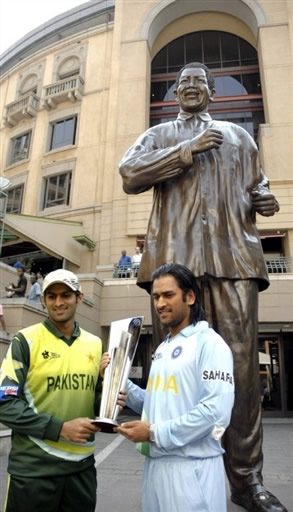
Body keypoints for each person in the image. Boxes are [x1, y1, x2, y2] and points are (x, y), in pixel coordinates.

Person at [119, 62, 285, 512]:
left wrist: (263, 198)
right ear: (175, 92)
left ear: (213, 92)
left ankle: (248, 482)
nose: (192, 87)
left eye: (200, 82)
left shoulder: (240, 137)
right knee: (173, 369)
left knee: (243, 375)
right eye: (184, 82)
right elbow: (129, 174)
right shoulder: (159, 135)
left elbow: (258, 185)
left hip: (234, 259)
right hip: (175, 264)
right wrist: (186, 150)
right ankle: (168, 461)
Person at [106, 263, 234, 512]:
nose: (160, 303)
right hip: (156, 466)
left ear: (190, 297)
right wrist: (117, 379)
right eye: (156, 297)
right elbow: (156, 403)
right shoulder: (164, 347)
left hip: (192, 469)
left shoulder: (210, 344)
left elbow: (215, 413)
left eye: (168, 295)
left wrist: (153, 432)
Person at [0, 269, 103, 512]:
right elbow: (4, 403)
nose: (58, 302)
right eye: (52, 296)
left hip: (81, 469)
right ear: (43, 300)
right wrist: (61, 429)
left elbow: (94, 400)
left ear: (79, 298)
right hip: (34, 472)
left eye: (66, 295)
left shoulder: (95, 344)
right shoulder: (25, 341)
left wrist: (111, 400)